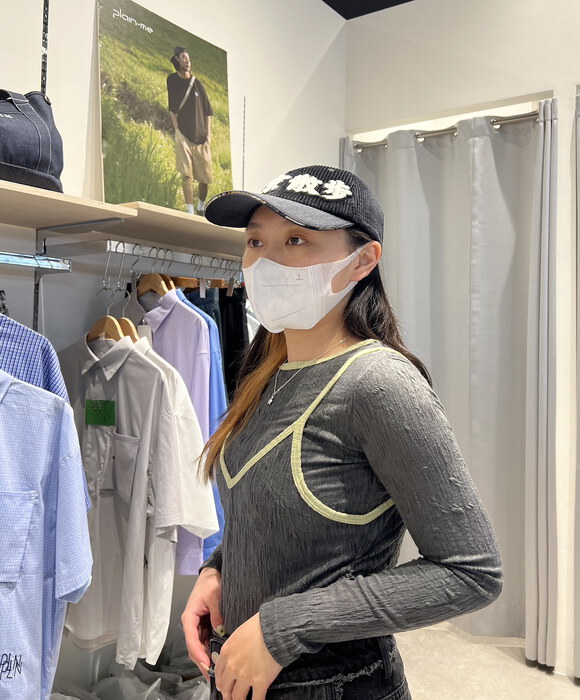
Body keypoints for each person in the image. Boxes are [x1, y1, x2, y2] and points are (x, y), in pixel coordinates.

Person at [181, 165, 503, 700]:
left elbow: (471, 572)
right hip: (241, 676)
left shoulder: (379, 384)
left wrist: (284, 627)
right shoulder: (267, 369)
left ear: (363, 260)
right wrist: (218, 572)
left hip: (336, 684)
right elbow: (268, 517)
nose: (266, 261)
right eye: (255, 241)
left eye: (296, 240)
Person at [167, 46, 213, 215]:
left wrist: (209, 136)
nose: (188, 62)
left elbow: (208, 112)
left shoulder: (198, 84)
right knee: (186, 175)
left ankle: (201, 206)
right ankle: (190, 211)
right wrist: (177, 131)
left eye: (189, 59)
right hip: (184, 136)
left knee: (204, 178)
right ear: (177, 59)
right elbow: (172, 109)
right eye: (184, 58)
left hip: (201, 138)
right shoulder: (172, 80)